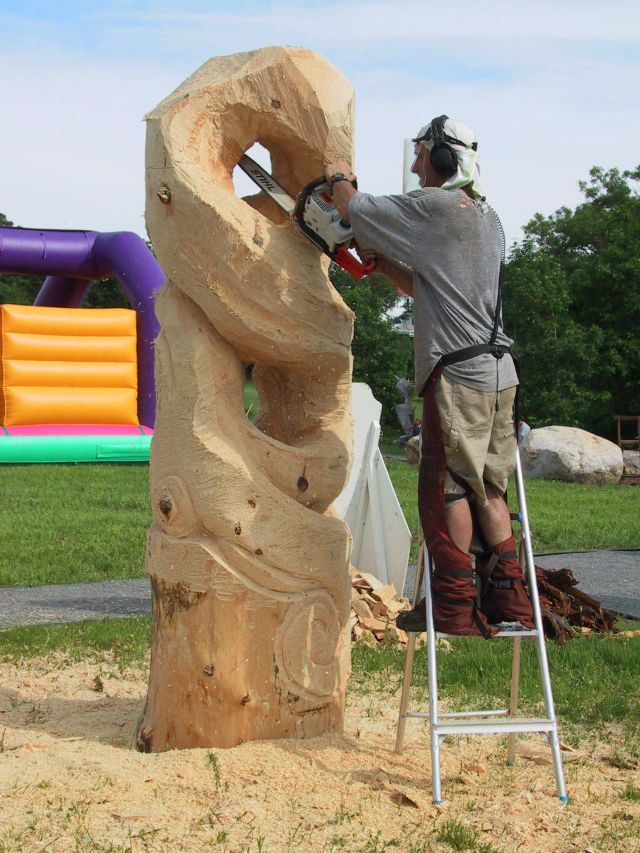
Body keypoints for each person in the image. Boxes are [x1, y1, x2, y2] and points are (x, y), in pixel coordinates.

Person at [324, 115, 534, 637]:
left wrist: (336, 174)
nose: (416, 165)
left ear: (442, 158)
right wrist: (385, 267)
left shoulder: (435, 206)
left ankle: (455, 608)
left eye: (420, 154)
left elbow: (352, 207)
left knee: (448, 490)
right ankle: (508, 602)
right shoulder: (483, 215)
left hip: (459, 375)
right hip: (497, 371)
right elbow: (428, 289)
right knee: (488, 486)